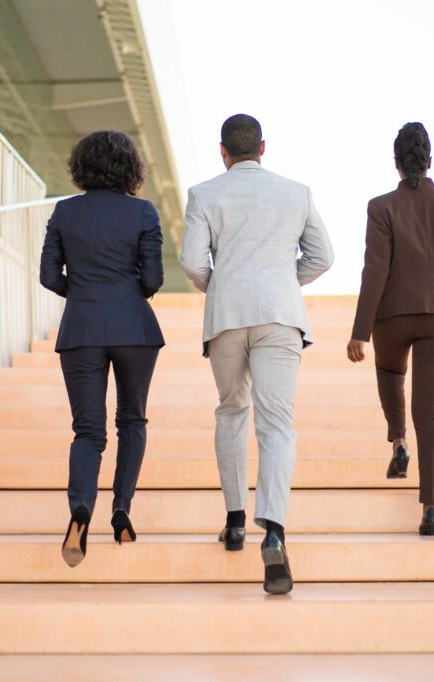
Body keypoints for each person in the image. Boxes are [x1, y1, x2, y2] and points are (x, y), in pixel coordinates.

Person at [180, 114, 334, 594]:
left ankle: (233, 520)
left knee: (231, 411)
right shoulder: (296, 192)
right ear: (263, 147)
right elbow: (323, 256)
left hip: (226, 315)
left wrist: (222, 286)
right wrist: (285, 283)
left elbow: (189, 261)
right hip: (280, 316)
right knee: (276, 424)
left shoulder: (204, 194)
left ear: (222, 151)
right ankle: (275, 532)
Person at [346, 122, 434, 536]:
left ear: (396, 164)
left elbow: (375, 271)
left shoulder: (381, 206)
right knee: (431, 410)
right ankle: (431, 509)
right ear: (429, 160)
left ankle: (399, 441)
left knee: (390, 374)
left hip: (392, 315)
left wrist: (360, 332)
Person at [40, 130, 165, 567]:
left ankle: (80, 511)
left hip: (81, 329)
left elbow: (49, 276)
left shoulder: (63, 212)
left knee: (88, 431)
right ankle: (121, 509)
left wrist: (86, 291)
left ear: (82, 167)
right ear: (131, 168)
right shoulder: (143, 212)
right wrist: (124, 289)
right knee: (132, 419)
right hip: (135, 329)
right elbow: (152, 281)